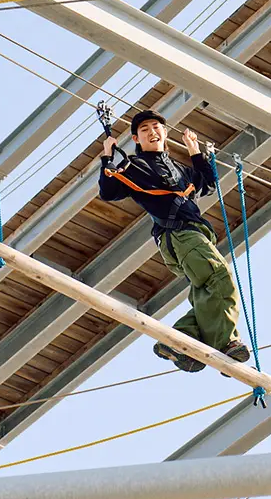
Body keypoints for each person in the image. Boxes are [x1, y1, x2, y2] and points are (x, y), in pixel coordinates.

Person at [98, 109, 245, 373]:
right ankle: (225, 343)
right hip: (181, 235)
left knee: (205, 291)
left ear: (165, 133)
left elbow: (209, 184)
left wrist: (195, 151)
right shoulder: (135, 166)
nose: (152, 132)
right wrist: (107, 156)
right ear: (136, 138)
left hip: (190, 237)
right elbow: (109, 191)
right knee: (221, 279)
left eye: (156, 127)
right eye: (145, 130)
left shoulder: (180, 169)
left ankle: (180, 340)